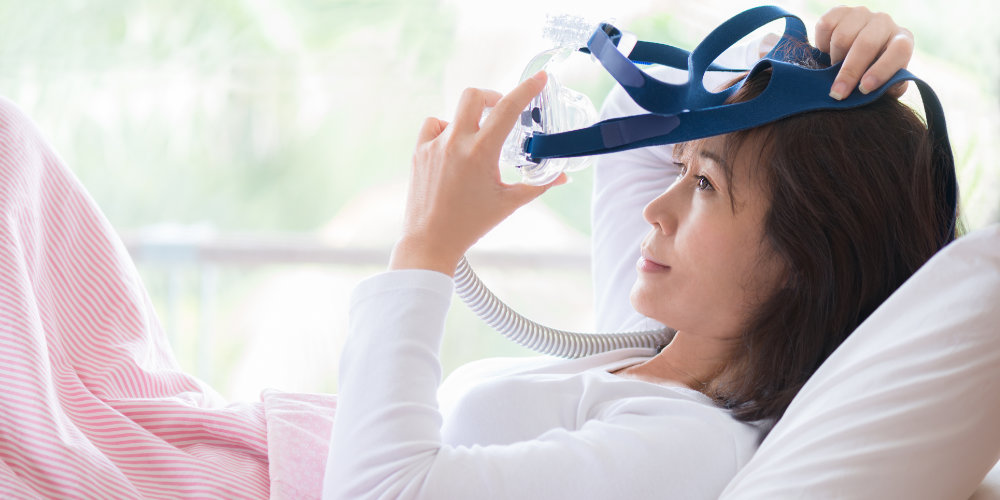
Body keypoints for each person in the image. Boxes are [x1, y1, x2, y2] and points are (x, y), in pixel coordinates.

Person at [323, 5, 951, 500]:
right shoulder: (652, 342)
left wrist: (426, 245)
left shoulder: (689, 443)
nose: (656, 207)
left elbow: (381, 491)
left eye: (704, 184)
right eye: (682, 168)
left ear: (806, 258)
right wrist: (798, 67)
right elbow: (635, 112)